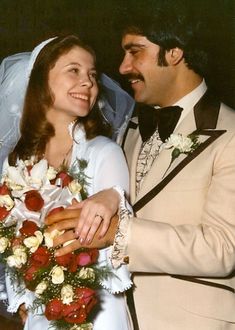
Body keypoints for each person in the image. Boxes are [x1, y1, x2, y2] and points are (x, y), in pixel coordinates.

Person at [46, 2, 235, 330]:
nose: (122, 67)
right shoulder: (129, 128)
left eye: (135, 51)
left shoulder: (230, 134)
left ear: (174, 52)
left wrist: (118, 234)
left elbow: (222, 249)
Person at [1, 35, 134, 330]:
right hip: (40, 314)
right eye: (73, 70)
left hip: (94, 312)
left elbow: (123, 241)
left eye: (92, 74)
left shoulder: (104, 153)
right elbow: (9, 243)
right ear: (40, 82)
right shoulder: (16, 165)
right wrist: (23, 298)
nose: (87, 82)